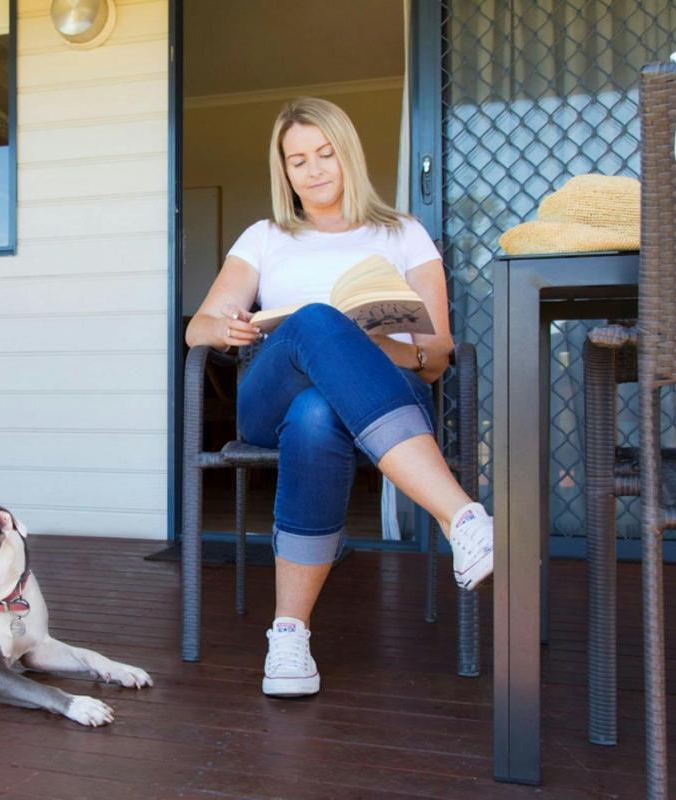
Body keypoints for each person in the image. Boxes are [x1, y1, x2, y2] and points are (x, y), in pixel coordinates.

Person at [183, 97, 494, 698]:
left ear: (348, 155)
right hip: (266, 403)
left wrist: (365, 343)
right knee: (317, 323)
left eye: (325, 154)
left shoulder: (404, 233)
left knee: (318, 412)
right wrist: (228, 328)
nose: (314, 169)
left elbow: (436, 355)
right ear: (285, 172)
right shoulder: (265, 237)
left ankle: (289, 637)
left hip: (376, 396)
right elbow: (200, 328)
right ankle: (460, 517)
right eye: (298, 160)